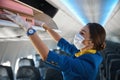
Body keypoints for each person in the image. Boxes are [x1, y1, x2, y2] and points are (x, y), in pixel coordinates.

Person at [1, 10, 106, 80]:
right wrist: (44, 26)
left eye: (82, 33)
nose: (77, 35)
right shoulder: (84, 53)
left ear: (91, 42)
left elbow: (47, 56)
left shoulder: (86, 66)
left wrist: (28, 28)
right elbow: (61, 41)